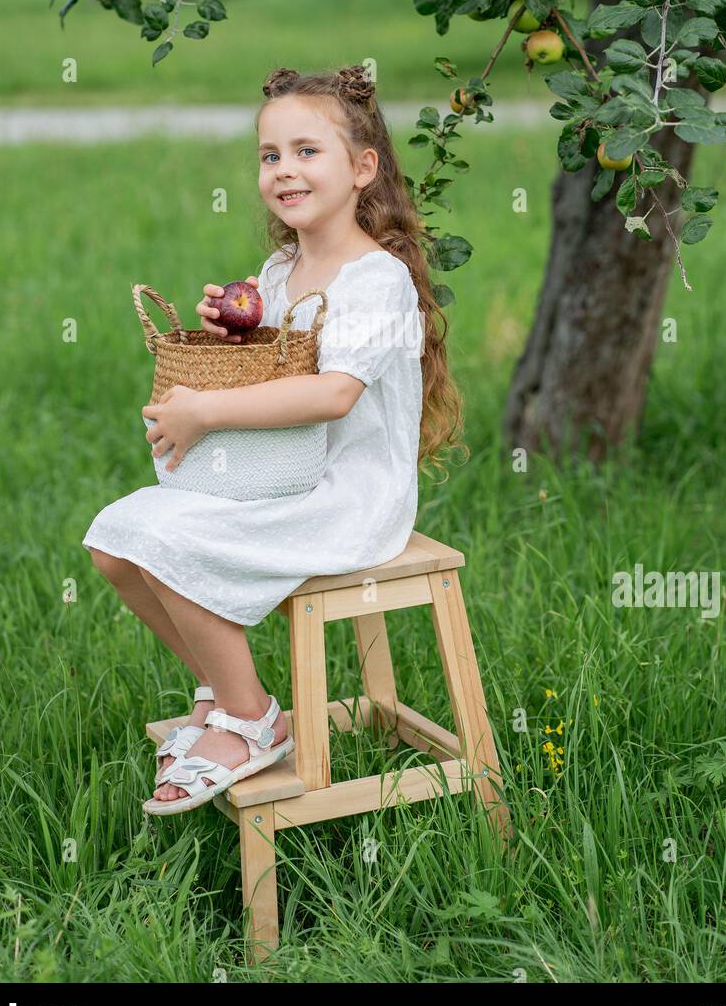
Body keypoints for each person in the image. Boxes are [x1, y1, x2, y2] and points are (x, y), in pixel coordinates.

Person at [82, 64, 467, 816]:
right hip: (287, 474)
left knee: (163, 535)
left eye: (306, 151)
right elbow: (283, 356)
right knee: (114, 546)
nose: (284, 169)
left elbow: (332, 392)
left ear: (362, 169)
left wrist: (208, 414)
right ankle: (227, 694)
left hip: (350, 495)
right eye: (269, 155)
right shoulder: (283, 265)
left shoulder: (375, 278)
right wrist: (238, 324)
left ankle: (251, 721)